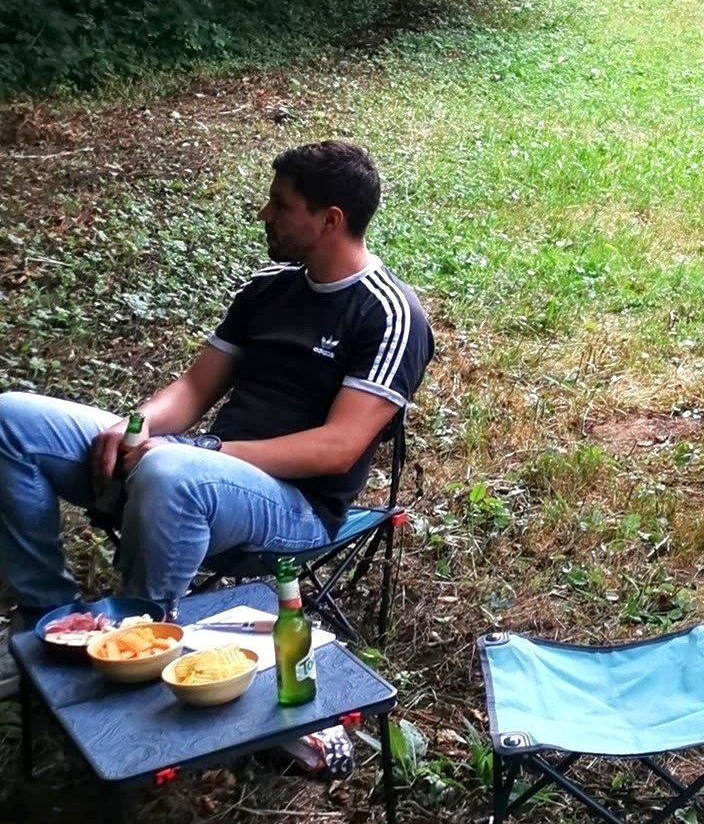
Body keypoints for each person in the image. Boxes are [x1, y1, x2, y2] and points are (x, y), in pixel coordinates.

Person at [0, 139, 433, 688]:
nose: (265, 214)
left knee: (170, 471)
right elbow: (193, 387)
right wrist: (138, 424)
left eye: (281, 205)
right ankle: (49, 621)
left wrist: (199, 451)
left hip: (296, 507)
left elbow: (337, 448)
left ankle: (140, 645)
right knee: (11, 418)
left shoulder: (389, 313)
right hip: (209, 472)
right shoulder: (267, 289)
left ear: (330, 219)